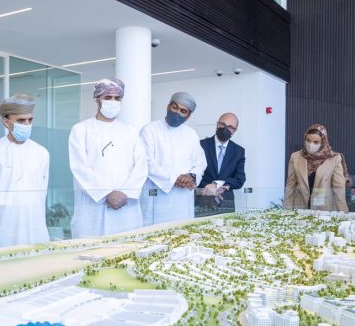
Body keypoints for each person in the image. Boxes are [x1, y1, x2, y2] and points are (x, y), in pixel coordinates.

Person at [68, 79, 148, 238]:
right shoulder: (80, 130)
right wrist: (106, 193)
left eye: (117, 98)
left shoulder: (130, 131)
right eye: (108, 97)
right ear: (97, 99)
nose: (113, 102)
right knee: (92, 249)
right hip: (93, 207)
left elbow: (141, 166)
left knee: (127, 248)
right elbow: (79, 167)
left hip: (126, 206)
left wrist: (125, 193)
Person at [0, 94, 50, 249]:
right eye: (21, 120)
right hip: (1, 233)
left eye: (30, 120)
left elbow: (42, 194)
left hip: (35, 230)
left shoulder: (41, 153)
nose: (27, 124)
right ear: (6, 122)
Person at [140, 92, 208, 226]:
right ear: (168, 106)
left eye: (183, 111)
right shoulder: (150, 130)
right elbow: (146, 162)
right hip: (157, 200)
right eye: (175, 107)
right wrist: (174, 179)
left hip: (183, 201)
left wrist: (191, 176)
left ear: (188, 116)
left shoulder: (191, 134)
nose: (177, 112)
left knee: (182, 234)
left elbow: (200, 162)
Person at [283, 124, 349, 212]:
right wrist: (286, 210)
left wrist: (343, 213)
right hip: (300, 207)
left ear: (323, 142)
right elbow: (290, 185)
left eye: (315, 142)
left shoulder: (334, 158)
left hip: (323, 210)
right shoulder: (295, 157)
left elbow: (338, 188)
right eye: (308, 140)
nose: (311, 145)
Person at [196, 112, 247, 215]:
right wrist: (208, 187)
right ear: (217, 124)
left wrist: (217, 184)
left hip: (226, 203)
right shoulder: (200, 145)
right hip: (201, 199)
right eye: (223, 124)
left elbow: (239, 179)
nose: (225, 129)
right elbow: (193, 174)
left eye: (230, 127)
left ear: (235, 130)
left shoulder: (239, 151)